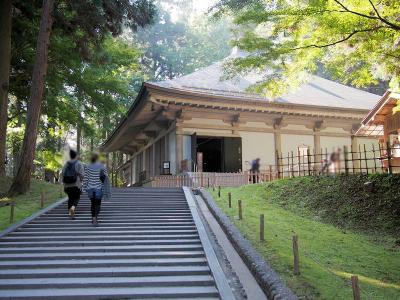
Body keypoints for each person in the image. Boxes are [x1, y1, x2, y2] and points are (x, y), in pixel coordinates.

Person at [83, 153, 111, 226]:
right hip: (99, 188)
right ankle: (95, 217)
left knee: (92, 204)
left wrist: (84, 188)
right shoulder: (102, 166)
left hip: (90, 188)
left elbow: (86, 178)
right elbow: (106, 177)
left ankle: (93, 218)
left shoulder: (87, 166)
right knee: (98, 204)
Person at [61, 149, 84, 219]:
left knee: (70, 198)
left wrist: (64, 183)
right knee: (77, 197)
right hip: (76, 184)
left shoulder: (66, 164)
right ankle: (73, 208)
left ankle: (70, 213)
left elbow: (62, 173)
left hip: (67, 184)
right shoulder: (79, 163)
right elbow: (82, 174)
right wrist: (81, 181)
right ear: (76, 156)